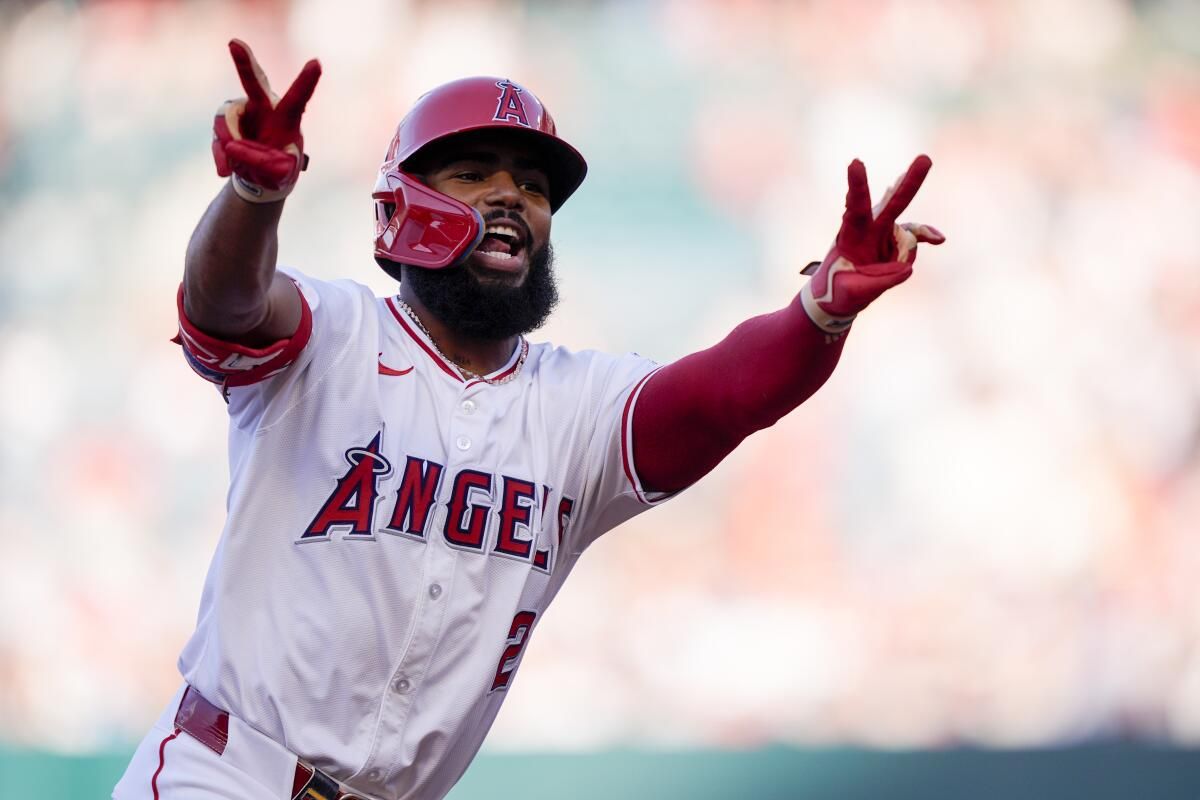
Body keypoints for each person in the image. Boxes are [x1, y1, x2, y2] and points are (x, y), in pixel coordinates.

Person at [114, 39, 944, 800]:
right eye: (475, 171)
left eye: (534, 185)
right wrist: (255, 193)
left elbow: (720, 396)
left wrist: (818, 316)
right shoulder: (332, 335)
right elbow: (224, 304)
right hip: (223, 776)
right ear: (399, 209)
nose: (512, 194)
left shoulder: (572, 409)